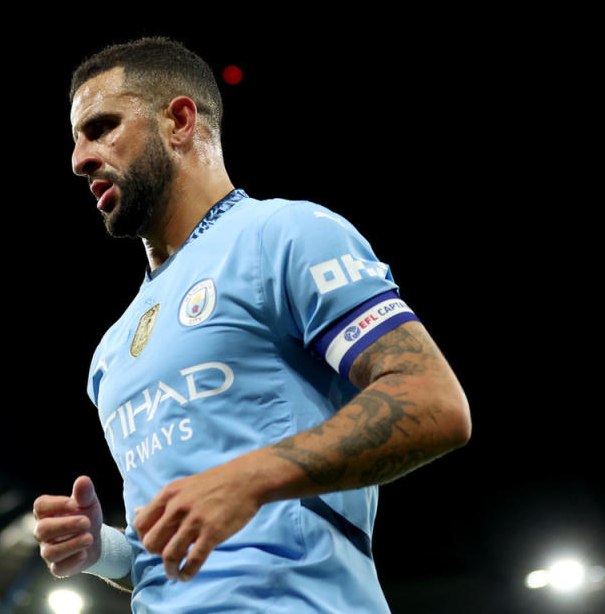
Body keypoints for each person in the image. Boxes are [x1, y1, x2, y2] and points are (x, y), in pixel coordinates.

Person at [33, 36, 471, 613]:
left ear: (180, 121)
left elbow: (433, 402)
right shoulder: (111, 353)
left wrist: (250, 476)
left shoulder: (285, 235)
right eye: (76, 140)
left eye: (102, 128)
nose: (79, 158)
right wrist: (102, 551)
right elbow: (162, 553)